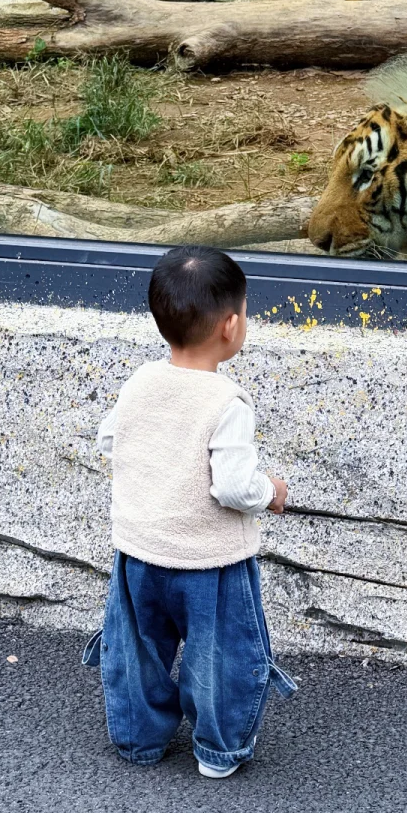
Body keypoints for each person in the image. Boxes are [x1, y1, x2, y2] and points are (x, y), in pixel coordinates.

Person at [83, 244, 296, 778]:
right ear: (230, 325)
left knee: (138, 652)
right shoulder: (226, 402)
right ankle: (218, 751)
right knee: (219, 659)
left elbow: (110, 439)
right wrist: (269, 490)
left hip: (138, 552)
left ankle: (139, 741)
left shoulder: (140, 382)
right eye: (247, 312)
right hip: (212, 562)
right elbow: (232, 487)